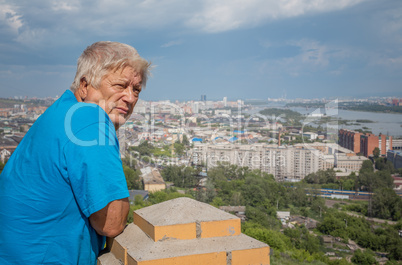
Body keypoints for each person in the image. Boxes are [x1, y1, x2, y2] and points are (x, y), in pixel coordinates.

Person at [0, 41, 151, 264]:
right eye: (120, 85)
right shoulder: (89, 119)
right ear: (84, 85)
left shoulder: (63, 110)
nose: (130, 98)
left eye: (136, 89)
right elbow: (112, 223)